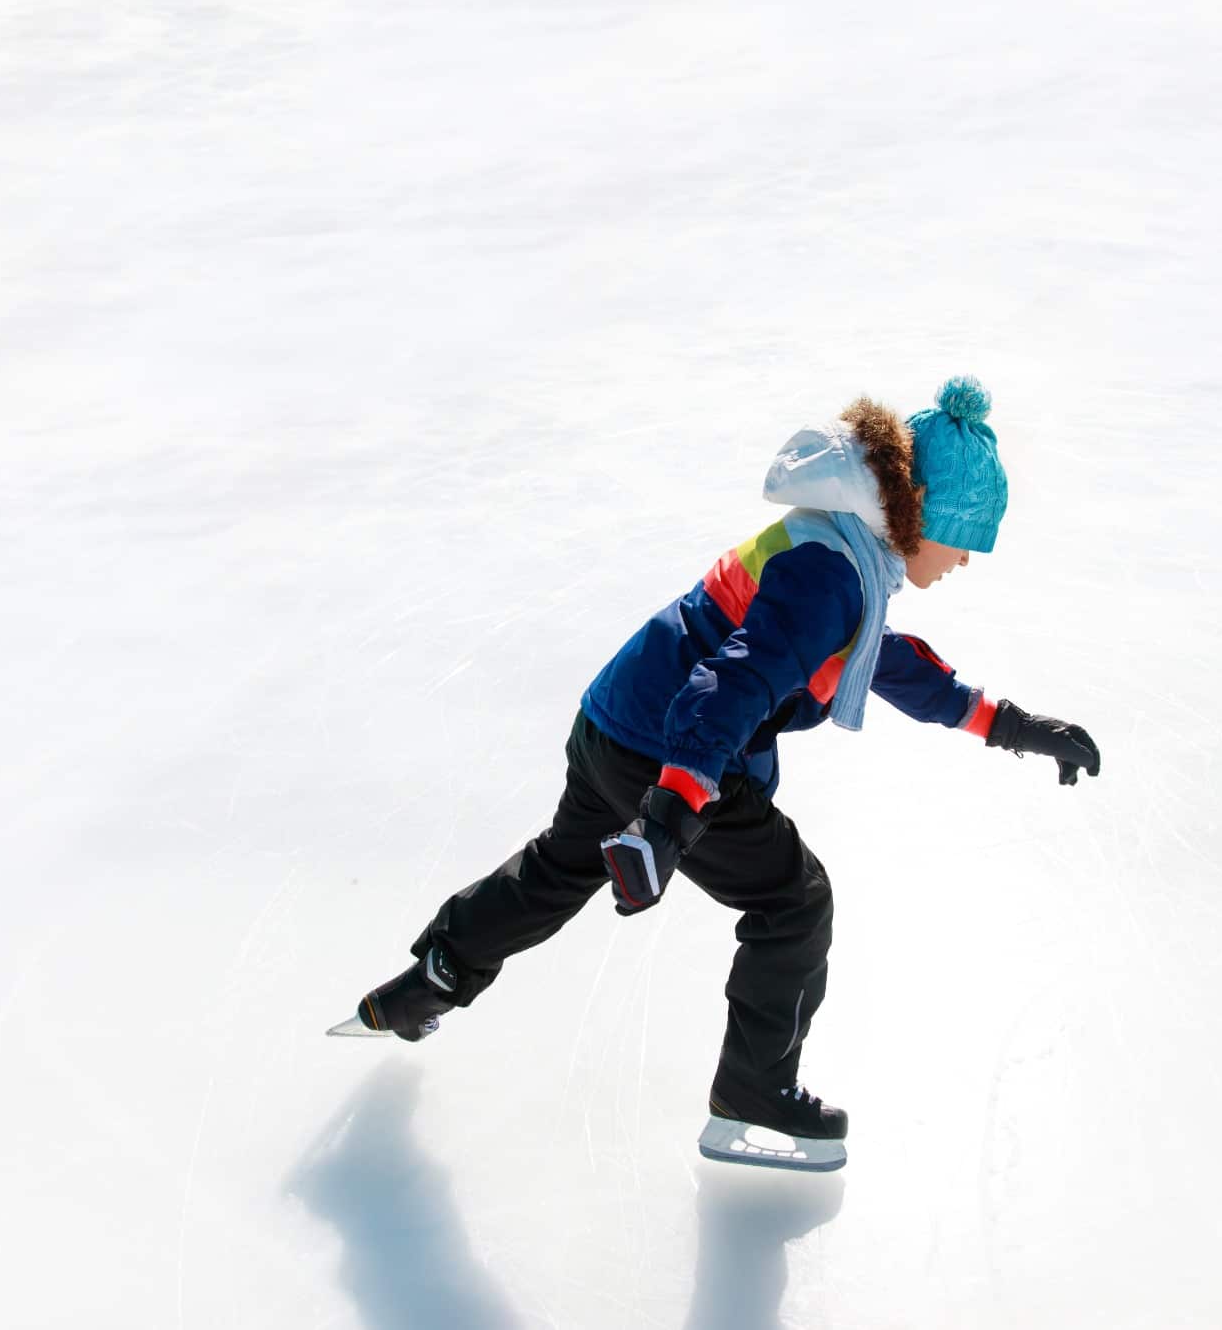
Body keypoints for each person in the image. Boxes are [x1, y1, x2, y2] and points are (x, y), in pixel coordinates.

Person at [338, 377, 1101, 1167]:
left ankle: (428, 978)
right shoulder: (832, 575)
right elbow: (734, 680)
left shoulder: (837, 549)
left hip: (612, 721)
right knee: (794, 902)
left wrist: (1008, 725)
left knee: (556, 869)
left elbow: (881, 664)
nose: (967, 559)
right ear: (930, 512)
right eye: (967, 536)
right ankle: (755, 1093)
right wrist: (670, 812)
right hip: (671, 750)